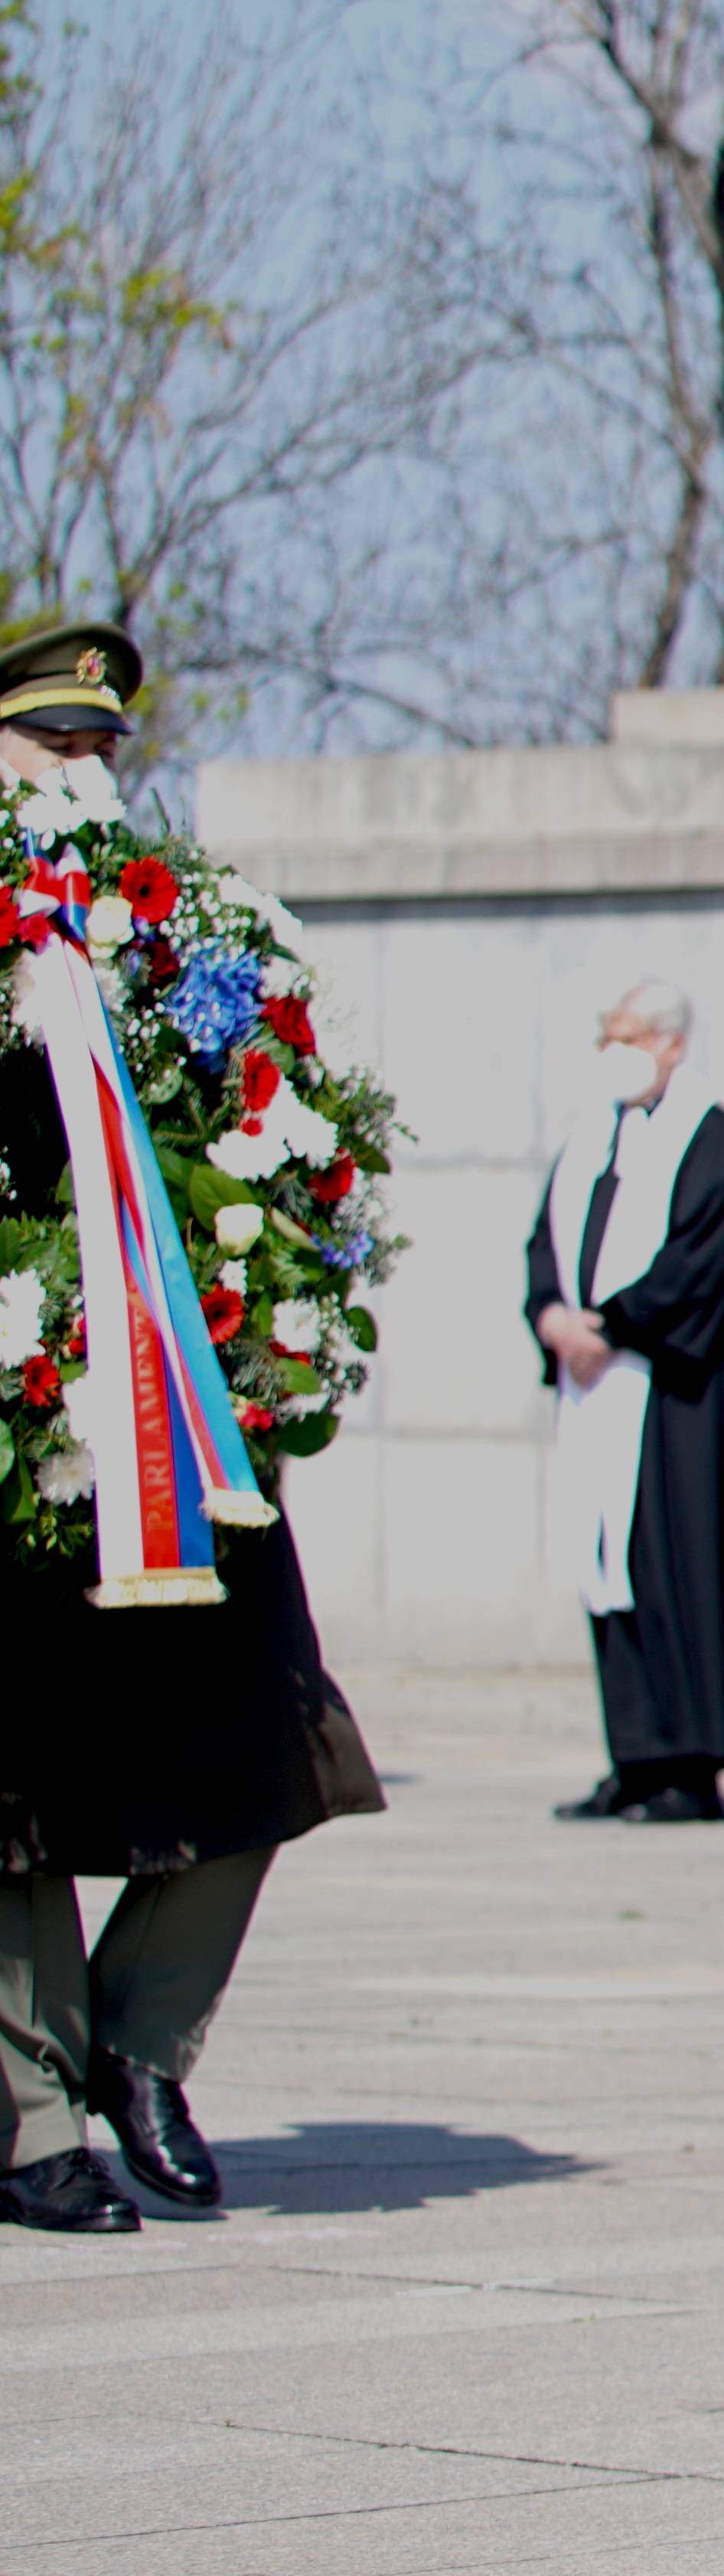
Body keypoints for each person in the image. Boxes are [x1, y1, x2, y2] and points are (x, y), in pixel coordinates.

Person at [0, 622, 383, 2231]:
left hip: (180, 1403)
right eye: (51, 749)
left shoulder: (189, 928)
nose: (86, 774)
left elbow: (285, 1131)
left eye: (102, 750)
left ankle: (144, 2043)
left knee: (265, 1732)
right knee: (11, 1773)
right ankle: (29, 2107)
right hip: (25, 1411)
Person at [523, 977, 724, 1826]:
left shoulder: (716, 1139)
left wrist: (615, 1323)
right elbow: (544, 1243)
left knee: (683, 1570)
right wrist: (552, 1315)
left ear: (672, 1042)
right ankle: (633, 1755)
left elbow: (700, 1260)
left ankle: (691, 1763)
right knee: (611, 1572)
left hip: (678, 1394)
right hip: (598, 1387)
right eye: (607, 1035)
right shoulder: (589, 1139)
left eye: (627, 1035)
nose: (615, 1051)